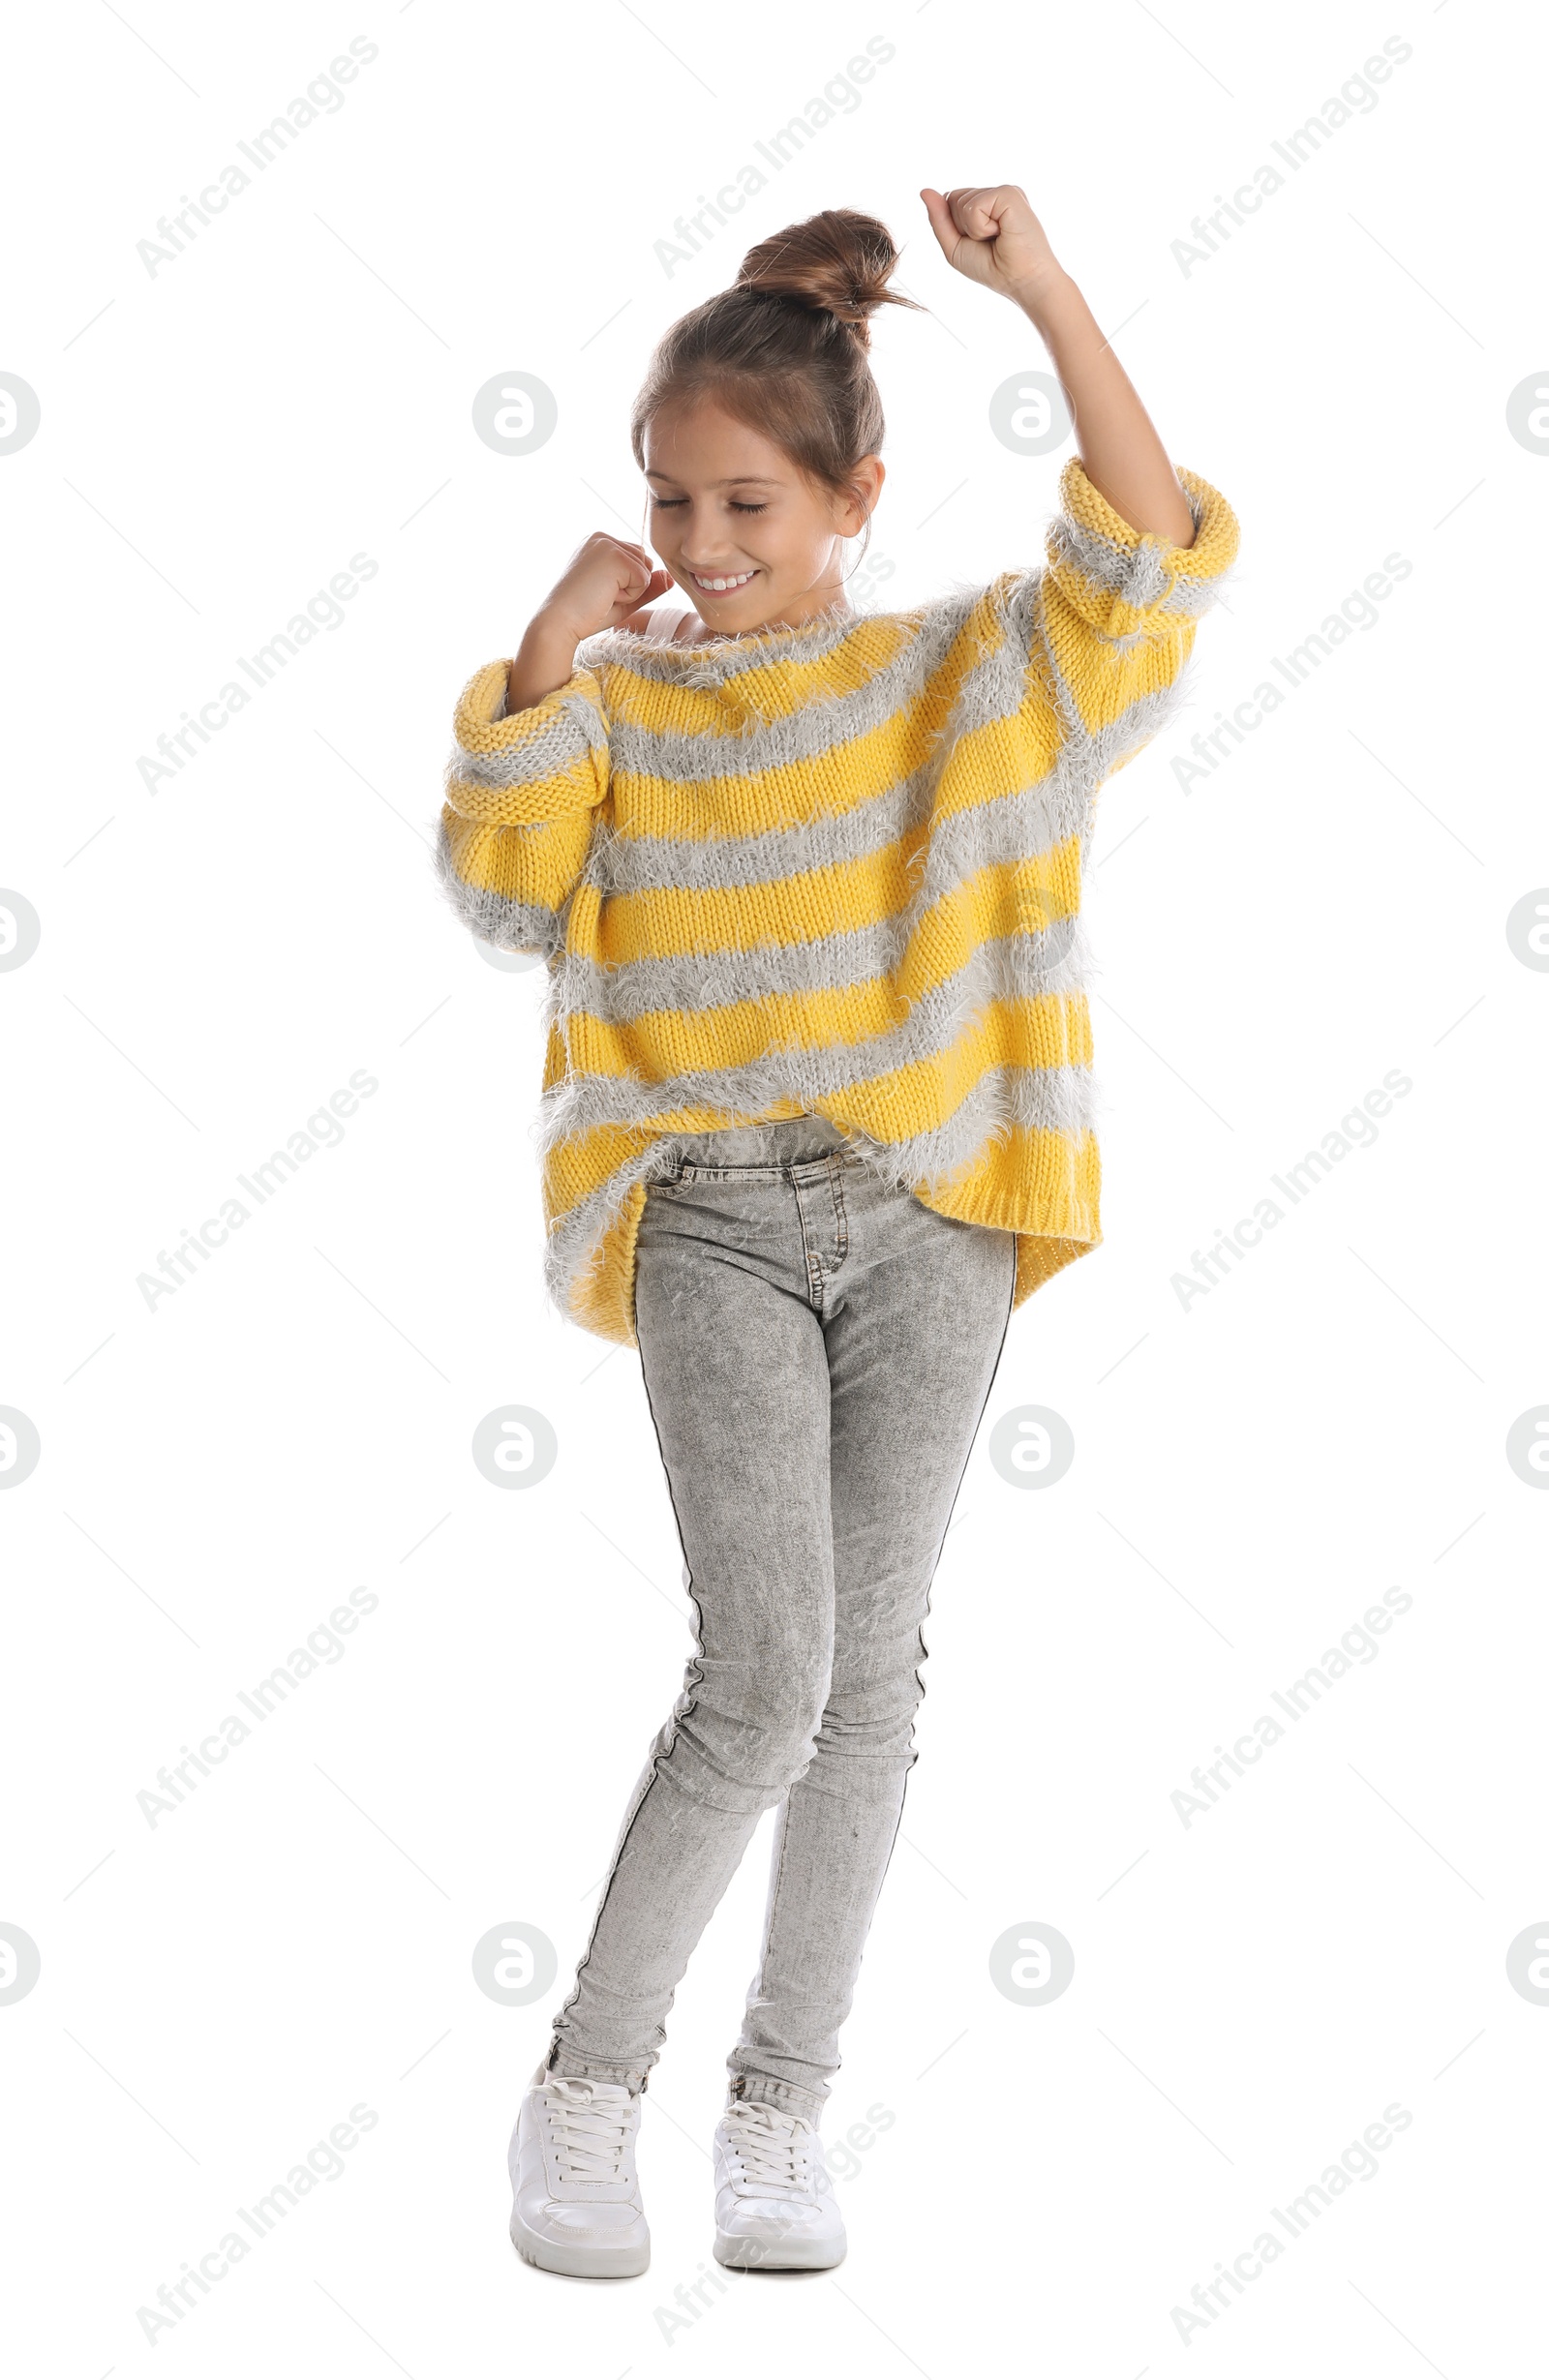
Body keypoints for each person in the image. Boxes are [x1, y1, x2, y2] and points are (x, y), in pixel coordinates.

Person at [437, 186, 1239, 2278]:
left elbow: (1144, 558)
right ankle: (585, 2091)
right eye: (669, 502)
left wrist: (1045, 291)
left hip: (924, 1218)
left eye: (745, 505)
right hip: (704, 1210)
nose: (698, 548)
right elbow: (506, 896)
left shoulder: (960, 676)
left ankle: (776, 2117)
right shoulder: (618, 704)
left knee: (867, 1687)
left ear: (852, 493)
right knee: (760, 1678)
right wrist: (540, 658)